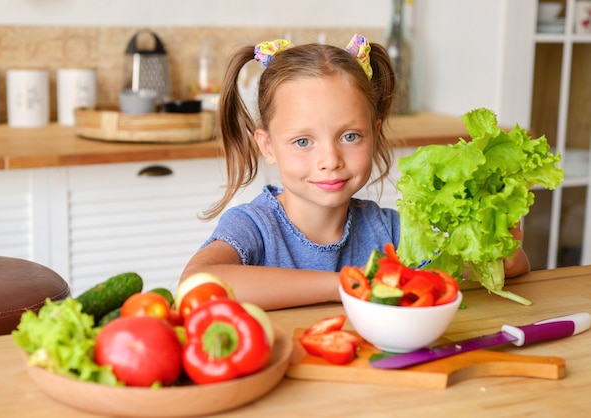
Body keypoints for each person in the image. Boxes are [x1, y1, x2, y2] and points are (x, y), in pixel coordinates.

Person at [180, 34, 530, 310]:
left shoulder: (390, 230)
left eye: (350, 136)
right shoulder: (253, 226)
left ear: (375, 136)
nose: (330, 159)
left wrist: (499, 244)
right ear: (268, 146)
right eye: (303, 141)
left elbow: (509, 269)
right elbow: (196, 283)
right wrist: (348, 284)